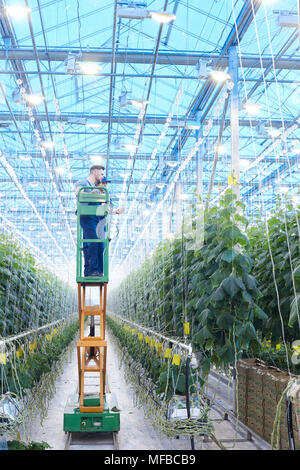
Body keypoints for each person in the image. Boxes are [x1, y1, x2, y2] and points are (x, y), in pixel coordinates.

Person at [75, 165, 105, 277]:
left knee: (100, 244)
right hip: (87, 216)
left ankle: (98, 270)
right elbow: (78, 193)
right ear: (95, 172)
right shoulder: (83, 183)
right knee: (92, 242)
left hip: (96, 218)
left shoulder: (96, 187)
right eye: (101, 174)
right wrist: (90, 194)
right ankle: (90, 271)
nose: (102, 177)